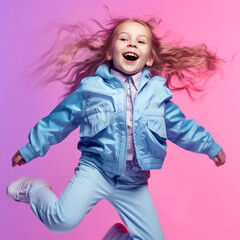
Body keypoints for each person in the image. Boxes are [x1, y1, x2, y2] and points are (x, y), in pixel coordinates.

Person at [6, 18, 226, 240]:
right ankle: (33, 189)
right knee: (61, 221)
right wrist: (31, 148)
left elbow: (181, 127)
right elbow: (60, 120)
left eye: (140, 41)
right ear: (110, 53)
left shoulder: (157, 95)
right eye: (124, 39)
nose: (131, 44)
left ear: (149, 57)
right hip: (96, 171)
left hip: (134, 181)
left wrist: (209, 146)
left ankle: (116, 238)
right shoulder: (92, 89)